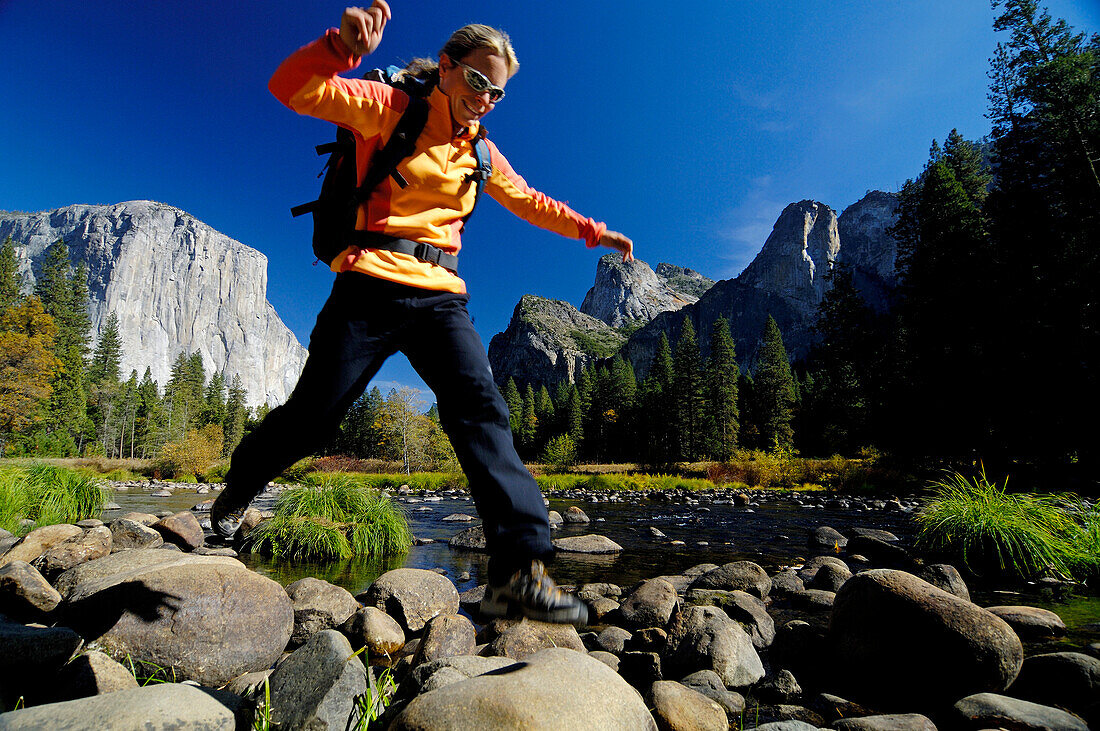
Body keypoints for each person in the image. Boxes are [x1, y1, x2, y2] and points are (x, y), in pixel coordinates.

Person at [210, 1, 633, 626]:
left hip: (441, 297)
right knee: (312, 419)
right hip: (368, 286)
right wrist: (339, 50)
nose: (486, 98)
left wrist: (593, 233)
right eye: (478, 81)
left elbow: (533, 203)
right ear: (447, 66)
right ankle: (234, 495)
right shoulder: (389, 108)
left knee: (483, 413)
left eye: (499, 93)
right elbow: (292, 89)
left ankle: (519, 575)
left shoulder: (482, 155)